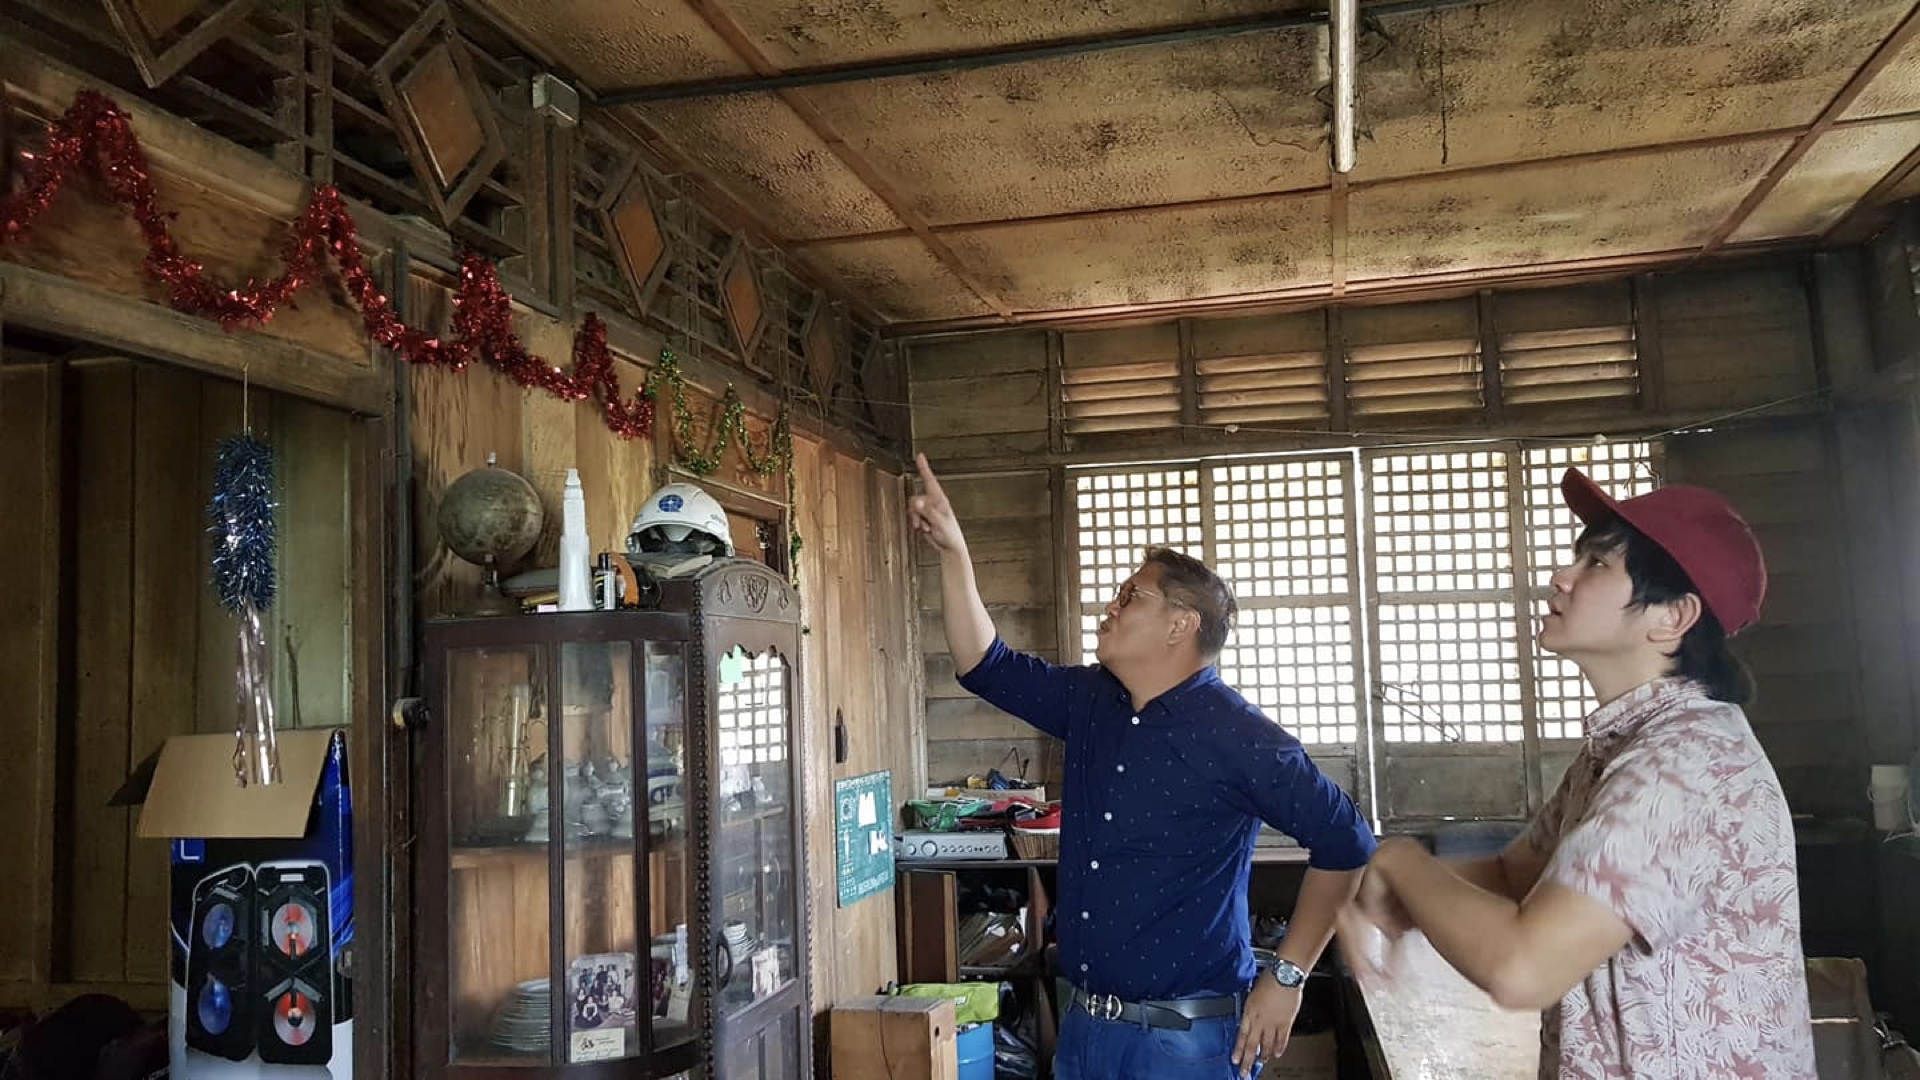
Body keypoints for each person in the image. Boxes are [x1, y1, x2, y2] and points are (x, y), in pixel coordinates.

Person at [908, 453, 1375, 1080]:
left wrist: (1287, 977)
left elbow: (1346, 841)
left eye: (1131, 596)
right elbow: (983, 663)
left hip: (1190, 1041)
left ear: (1182, 625)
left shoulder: (1239, 735)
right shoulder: (1092, 701)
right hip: (1087, 1032)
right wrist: (954, 553)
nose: (1112, 605)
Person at [1338, 468, 1816, 1079]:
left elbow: (1522, 968)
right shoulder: (1628, 744)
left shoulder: (1684, 762)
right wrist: (1403, 891)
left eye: (1596, 565)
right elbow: (1517, 873)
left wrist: (1399, 863)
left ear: (1672, 617)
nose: (1561, 577)